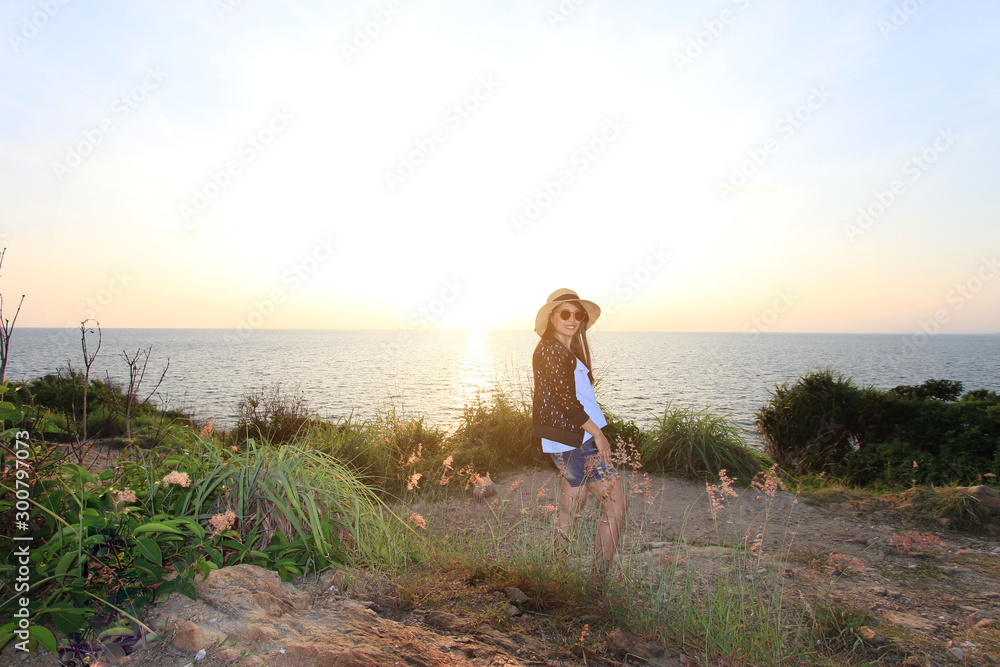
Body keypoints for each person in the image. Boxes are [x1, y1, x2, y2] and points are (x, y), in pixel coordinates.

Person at [531, 288, 626, 575]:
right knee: (616, 506)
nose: (572, 319)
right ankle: (598, 582)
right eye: (565, 313)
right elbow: (567, 403)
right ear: (551, 317)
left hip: (569, 439)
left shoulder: (564, 351)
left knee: (573, 503)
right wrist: (597, 433)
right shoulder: (551, 349)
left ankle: (559, 573)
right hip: (577, 440)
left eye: (578, 314)